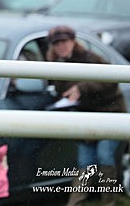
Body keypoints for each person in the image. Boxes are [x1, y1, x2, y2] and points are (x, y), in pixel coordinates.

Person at [45, 25, 127, 206]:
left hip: (109, 114)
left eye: (64, 42)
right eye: (57, 43)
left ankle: (108, 202)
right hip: (84, 117)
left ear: (73, 42)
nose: (61, 47)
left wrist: (81, 88)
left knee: (105, 155)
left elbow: (111, 82)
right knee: (85, 161)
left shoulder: (91, 58)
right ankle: (75, 203)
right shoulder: (54, 65)